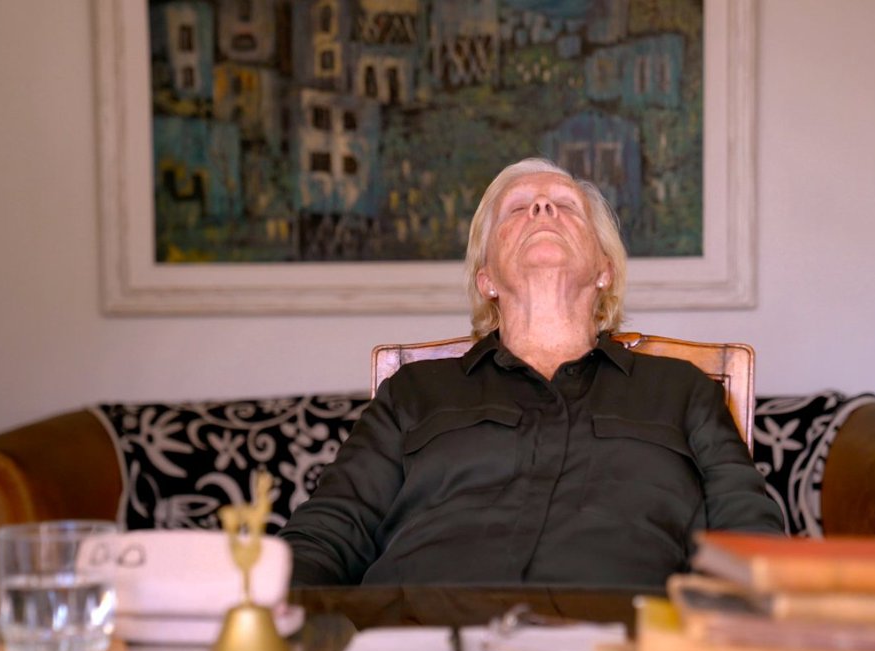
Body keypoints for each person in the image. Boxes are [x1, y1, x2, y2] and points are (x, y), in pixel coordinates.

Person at [279, 158, 783, 586]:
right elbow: (328, 531)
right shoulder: (412, 393)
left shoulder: (681, 391)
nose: (542, 209)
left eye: (566, 206)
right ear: (487, 279)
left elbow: (750, 538)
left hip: (622, 640)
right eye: (518, 209)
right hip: (420, 635)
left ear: (604, 270)